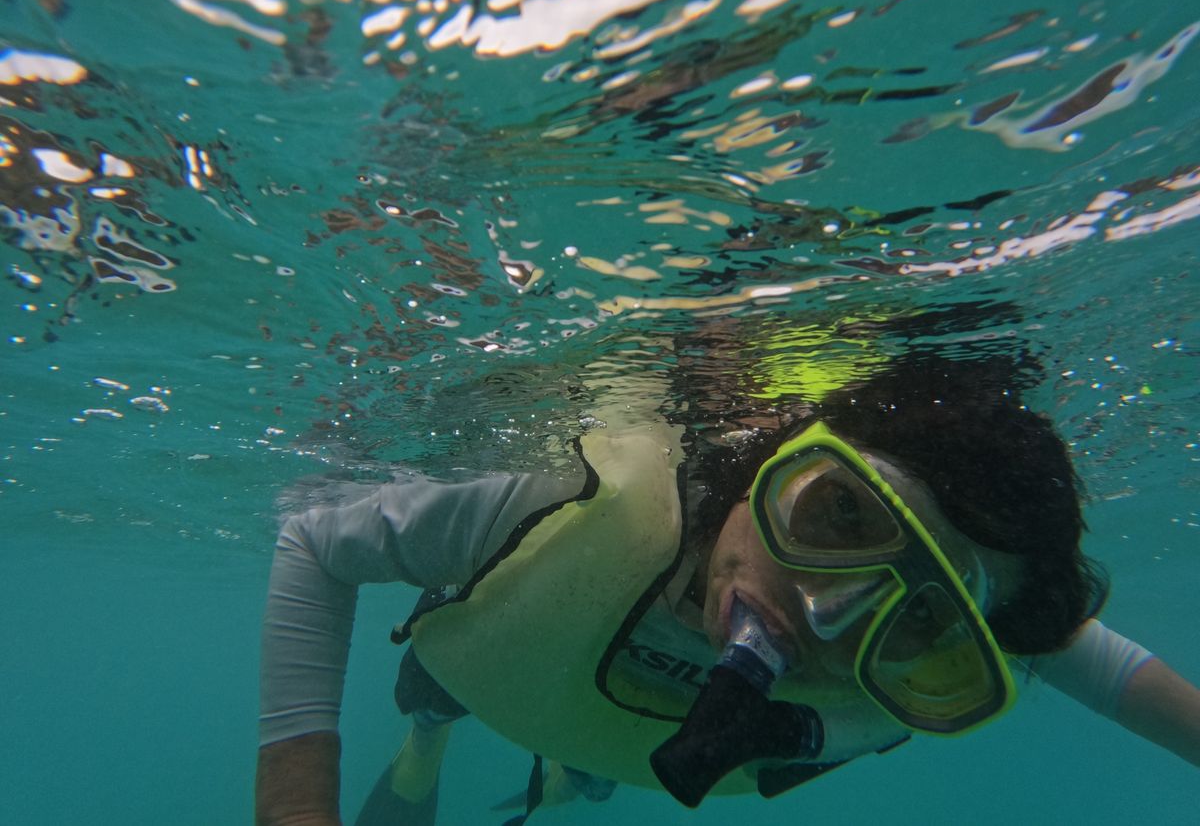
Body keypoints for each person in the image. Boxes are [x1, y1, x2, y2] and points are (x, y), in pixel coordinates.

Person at [255, 348, 1200, 826]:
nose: (819, 610)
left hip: (615, 723)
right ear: (786, 458)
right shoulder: (568, 499)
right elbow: (317, 541)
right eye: (840, 514)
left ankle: (573, 770)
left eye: (916, 614)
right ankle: (429, 737)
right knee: (452, 661)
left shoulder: (978, 630)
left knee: (597, 763)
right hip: (509, 656)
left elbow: (1088, 660)